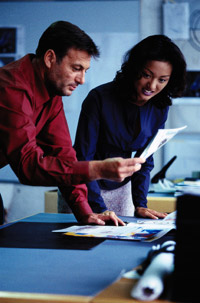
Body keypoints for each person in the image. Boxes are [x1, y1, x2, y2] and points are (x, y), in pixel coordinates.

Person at [0, 21, 145, 226]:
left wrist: (85, 212)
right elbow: (29, 166)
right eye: (76, 68)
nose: (82, 79)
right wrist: (98, 169)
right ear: (50, 58)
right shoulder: (11, 87)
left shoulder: (52, 94)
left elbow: (63, 155)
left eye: (85, 70)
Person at [68, 35, 186, 219]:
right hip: (84, 188)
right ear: (134, 69)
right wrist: (98, 207)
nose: (152, 86)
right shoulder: (99, 98)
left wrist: (140, 204)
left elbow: (145, 160)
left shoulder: (159, 106)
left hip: (123, 190)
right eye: (147, 75)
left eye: (162, 80)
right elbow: (83, 157)